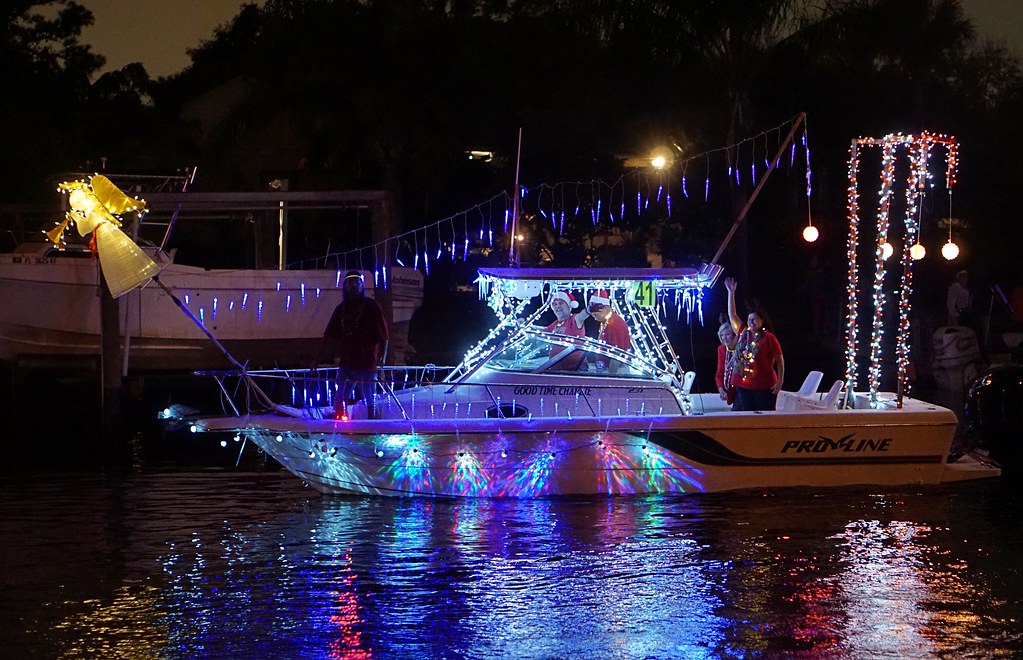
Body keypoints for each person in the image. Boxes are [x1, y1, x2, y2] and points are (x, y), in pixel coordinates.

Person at [313, 270, 389, 419]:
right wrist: (317, 359)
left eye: (357, 282)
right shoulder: (341, 310)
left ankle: (373, 427)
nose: (354, 285)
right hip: (347, 364)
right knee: (340, 399)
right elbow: (328, 336)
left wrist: (383, 356)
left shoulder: (371, 306)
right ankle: (341, 427)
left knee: (370, 401)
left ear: (362, 286)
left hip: (367, 364)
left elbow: (384, 334)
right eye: (351, 283)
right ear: (345, 286)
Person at [725, 277, 784, 411]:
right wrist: (731, 293)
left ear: (762, 321)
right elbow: (732, 315)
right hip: (742, 384)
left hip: (764, 385)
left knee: (764, 418)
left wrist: (779, 382)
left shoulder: (769, 338)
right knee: (742, 417)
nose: (751, 322)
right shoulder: (743, 333)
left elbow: (780, 361)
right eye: (749, 319)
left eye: (754, 320)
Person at [584, 289, 632, 373]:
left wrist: (610, 378)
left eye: (596, 311)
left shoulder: (615, 323)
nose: (592, 314)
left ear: (606, 308)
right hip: (607, 368)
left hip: (616, 371)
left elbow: (616, 354)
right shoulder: (606, 321)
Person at [542, 290, 586, 369]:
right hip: (556, 368)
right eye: (554, 304)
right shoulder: (555, 324)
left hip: (575, 369)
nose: (557, 306)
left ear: (569, 306)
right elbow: (540, 334)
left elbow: (582, 316)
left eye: (561, 303)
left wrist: (589, 310)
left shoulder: (573, 320)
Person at [714, 319, 738, 404]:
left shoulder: (741, 348)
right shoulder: (721, 349)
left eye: (727, 334)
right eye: (722, 335)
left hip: (743, 387)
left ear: (734, 335)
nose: (724, 337)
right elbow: (719, 373)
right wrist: (721, 389)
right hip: (730, 388)